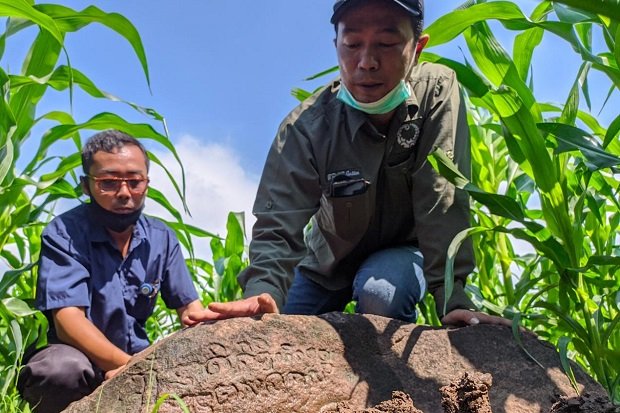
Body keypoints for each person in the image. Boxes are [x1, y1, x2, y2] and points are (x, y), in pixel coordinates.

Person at [190, 0, 509, 327]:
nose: (367, 62)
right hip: (327, 265)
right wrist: (263, 290)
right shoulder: (307, 127)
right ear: (336, 46)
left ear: (417, 49)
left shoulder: (436, 93)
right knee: (272, 325)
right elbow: (278, 221)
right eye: (353, 44)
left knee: (381, 293)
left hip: (402, 253)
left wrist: (452, 298)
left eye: (386, 43)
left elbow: (441, 197)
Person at [17, 130, 204, 413]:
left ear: (147, 184)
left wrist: (226, 322)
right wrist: (131, 370)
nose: (124, 193)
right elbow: (68, 320)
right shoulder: (64, 234)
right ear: (86, 186)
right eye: (108, 183)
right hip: (82, 360)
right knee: (59, 370)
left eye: (134, 181)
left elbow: (191, 310)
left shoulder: (162, 238)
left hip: (138, 357)